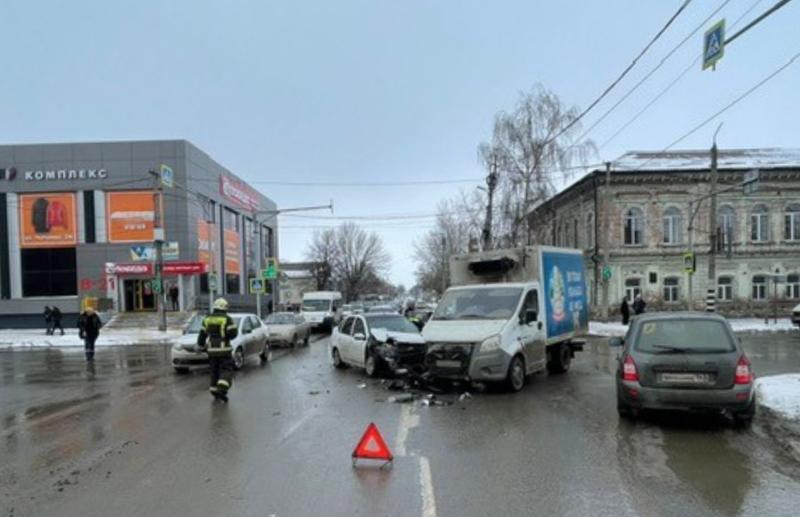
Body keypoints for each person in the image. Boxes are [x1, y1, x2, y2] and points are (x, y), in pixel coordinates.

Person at [197, 298, 239, 402]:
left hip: (211, 351)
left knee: (214, 371)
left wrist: (201, 345)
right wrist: (226, 336)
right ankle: (221, 389)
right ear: (224, 307)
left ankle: (214, 390)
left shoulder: (207, 319)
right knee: (226, 370)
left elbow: (202, 335)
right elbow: (233, 333)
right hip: (224, 350)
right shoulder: (227, 319)